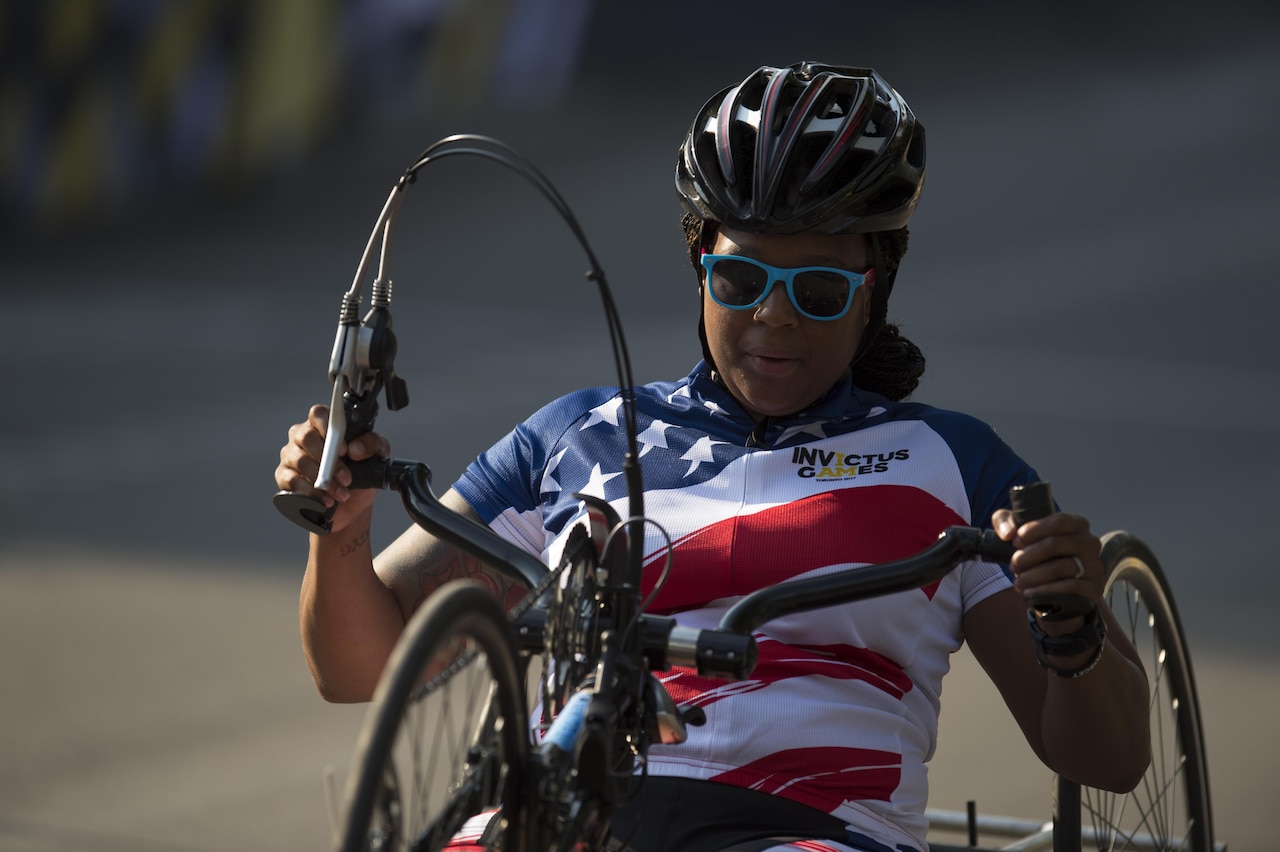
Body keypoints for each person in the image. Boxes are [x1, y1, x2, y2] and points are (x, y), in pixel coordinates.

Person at [275, 61, 1150, 852]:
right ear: (701, 266)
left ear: (873, 289)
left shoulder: (955, 463)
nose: (773, 318)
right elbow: (363, 669)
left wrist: (1071, 625)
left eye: (815, 289)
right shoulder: (576, 434)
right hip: (568, 814)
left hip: (810, 832)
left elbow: (1107, 759)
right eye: (741, 282)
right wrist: (341, 529)